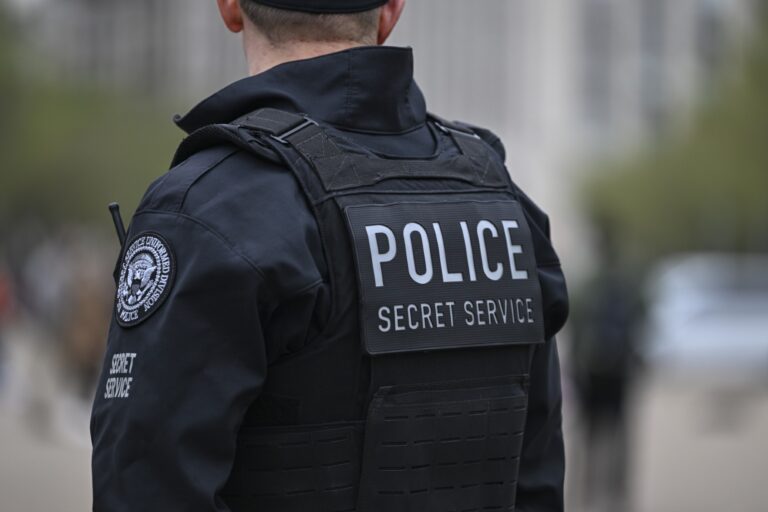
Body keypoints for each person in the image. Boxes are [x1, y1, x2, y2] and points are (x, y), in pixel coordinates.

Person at [90, 1, 569, 511]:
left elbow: (144, 490)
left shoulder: (208, 208)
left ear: (229, 7)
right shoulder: (500, 199)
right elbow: (537, 484)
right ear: (391, 11)